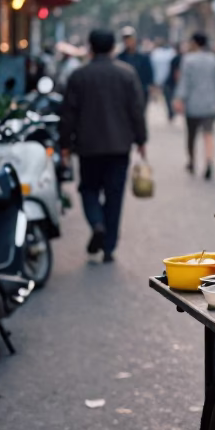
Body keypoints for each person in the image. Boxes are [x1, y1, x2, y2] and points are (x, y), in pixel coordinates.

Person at [59, 29, 147, 263]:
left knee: (88, 189)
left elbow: (68, 115)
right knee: (114, 195)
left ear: (90, 47)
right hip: (119, 147)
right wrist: (141, 139)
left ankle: (97, 223)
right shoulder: (126, 74)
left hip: (88, 147)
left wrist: (65, 145)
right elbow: (136, 110)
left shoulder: (79, 76)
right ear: (112, 48)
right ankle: (109, 247)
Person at [174, 32, 215, 180]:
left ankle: (192, 161)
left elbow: (184, 82)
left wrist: (179, 99)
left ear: (195, 43)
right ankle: (209, 161)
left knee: (191, 135)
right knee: (208, 134)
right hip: (210, 104)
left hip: (193, 104)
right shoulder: (213, 59)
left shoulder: (188, 60)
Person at [117, 26, 153, 106]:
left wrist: (150, 88)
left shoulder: (143, 57)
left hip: (140, 91)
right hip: (124, 92)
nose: (128, 41)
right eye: (125, 39)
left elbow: (149, 74)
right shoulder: (119, 58)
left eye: (130, 39)